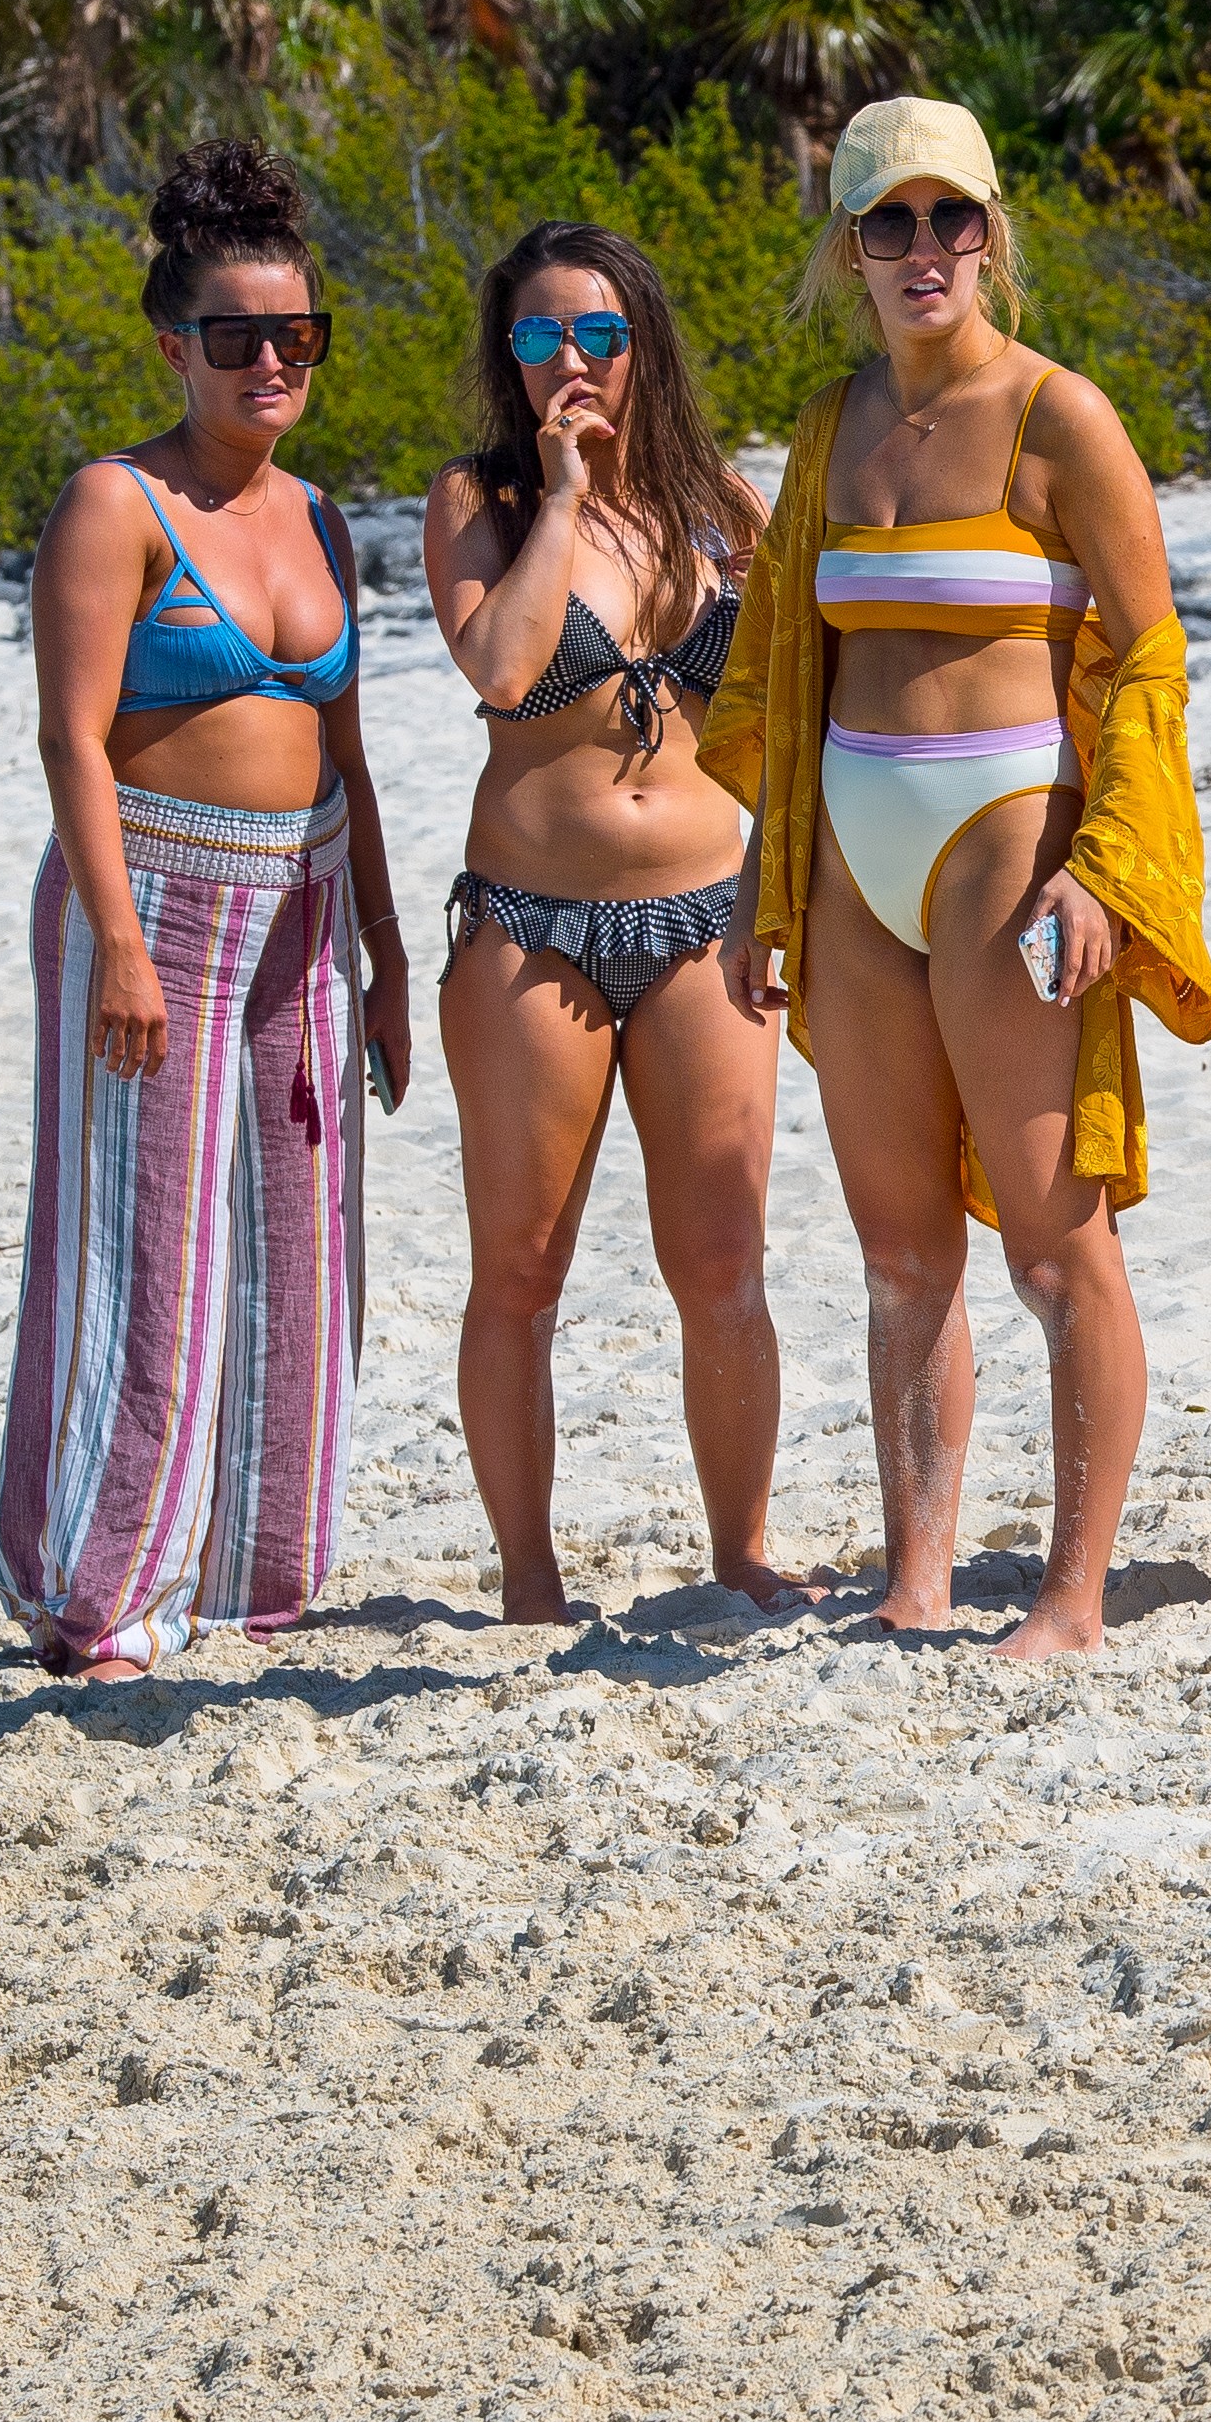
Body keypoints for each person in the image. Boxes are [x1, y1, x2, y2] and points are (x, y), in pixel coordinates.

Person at [697, 99, 1211, 1660]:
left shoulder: (1062, 416)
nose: (924, 250)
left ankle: (1072, 1592)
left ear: (993, 231)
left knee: (1059, 1244)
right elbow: (788, 663)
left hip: (1013, 840)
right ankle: (916, 1571)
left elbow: (1150, 660)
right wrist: (755, 884)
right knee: (901, 1247)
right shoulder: (830, 419)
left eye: (952, 219)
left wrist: (1110, 874)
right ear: (845, 246)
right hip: (853, 851)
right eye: (888, 222)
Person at [0, 140, 412, 1680]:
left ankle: (250, 1569)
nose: (272, 363)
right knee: (147, 1248)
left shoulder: (318, 520)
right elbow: (69, 736)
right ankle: (96, 1595)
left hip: (303, 906)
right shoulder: (116, 503)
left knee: (300, 1248)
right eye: (236, 338)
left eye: (298, 335)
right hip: (155, 894)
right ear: (174, 346)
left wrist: (382, 963)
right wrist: (113, 937)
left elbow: (350, 749)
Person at [421, 221, 807, 1626]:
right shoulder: (482, 499)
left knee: (722, 1260)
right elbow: (508, 661)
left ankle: (743, 1547)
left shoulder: (729, 504)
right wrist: (567, 493)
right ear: (505, 355)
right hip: (532, 928)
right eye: (536, 338)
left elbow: (793, 708)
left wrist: (790, 890)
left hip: (708, 921)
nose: (568, 360)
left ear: (645, 342)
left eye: (596, 334)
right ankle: (530, 1579)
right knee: (521, 1269)